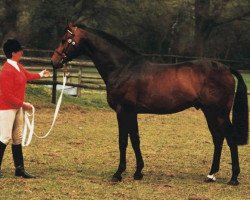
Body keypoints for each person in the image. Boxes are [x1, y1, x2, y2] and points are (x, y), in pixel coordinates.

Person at [0, 39, 49, 178]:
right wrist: (23, 104)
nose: (22, 52)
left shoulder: (18, 66)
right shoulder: (6, 71)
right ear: (13, 53)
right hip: (6, 108)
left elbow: (27, 76)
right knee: (4, 137)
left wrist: (41, 74)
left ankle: (19, 169)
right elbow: (7, 95)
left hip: (16, 107)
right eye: (20, 50)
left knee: (17, 137)